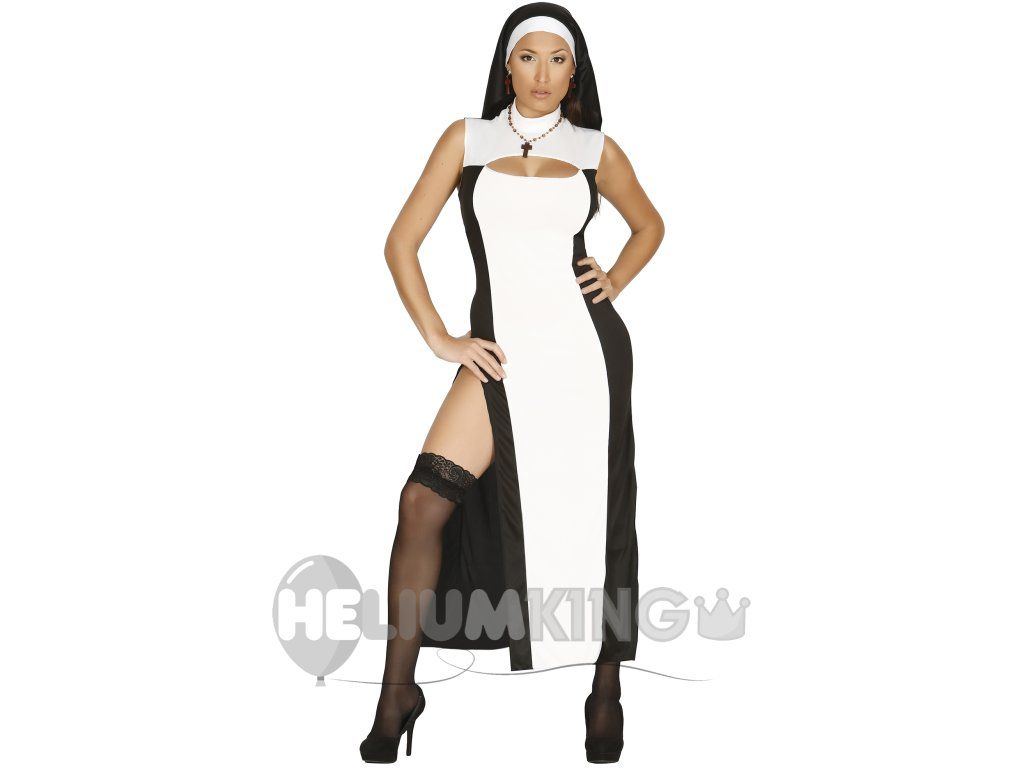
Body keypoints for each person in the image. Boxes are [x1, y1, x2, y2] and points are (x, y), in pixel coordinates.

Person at [360, 3, 665, 763]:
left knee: (600, 519)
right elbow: (400, 242)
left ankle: (605, 689)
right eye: (528, 58)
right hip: (501, 357)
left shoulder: (596, 150)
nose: (542, 75)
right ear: (507, 65)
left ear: (575, 70)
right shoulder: (467, 139)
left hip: (585, 358)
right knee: (422, 502)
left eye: (557, 60)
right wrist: (441, 338)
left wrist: (615, 280)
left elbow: (651, 225)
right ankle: (397, 693)